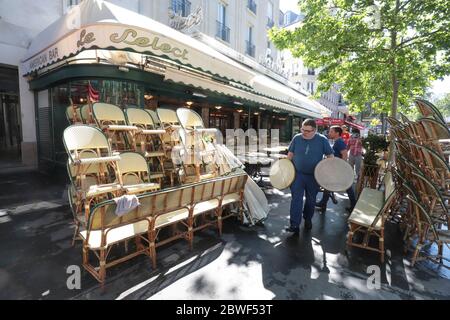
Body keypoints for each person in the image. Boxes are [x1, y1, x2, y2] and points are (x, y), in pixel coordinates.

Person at [286, 119, 333, 234]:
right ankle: (294, 224)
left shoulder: (322, 140)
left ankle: (307, 218)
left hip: (314, 176)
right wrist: (286, 168)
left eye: (307, 131)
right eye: (302, 129)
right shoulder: (297, 138)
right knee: (296, 199)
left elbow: (330, 156)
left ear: (315, 130)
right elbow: (290, 154)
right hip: (297, 174)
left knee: (311, 200)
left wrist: (327, 172)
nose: (304, 132)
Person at [315, 126, 357, 213]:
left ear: (337, 133)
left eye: (331, 132)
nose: (329, 133)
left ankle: (353, 205)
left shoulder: (339, 142)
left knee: (347, 186)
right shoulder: (337, 141)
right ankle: (323, 203)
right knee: (329, 185)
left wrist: (341, 168)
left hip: (339, 168)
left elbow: (345, 155)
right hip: (337, 168)